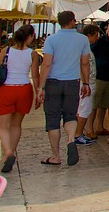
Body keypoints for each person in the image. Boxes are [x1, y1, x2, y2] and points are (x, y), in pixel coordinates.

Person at [37, 11, 91, 166]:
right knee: (70, 115)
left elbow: (46, 64)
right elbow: (85, 63)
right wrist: (86, 83)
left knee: (53, 119)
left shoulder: (51, 39)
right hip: (73, 82)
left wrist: (40, 87)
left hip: (53, 82)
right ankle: (70, 140)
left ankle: (55, 156)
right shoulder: (83, 39)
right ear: (73, 21)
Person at [0, 25, 41, 172]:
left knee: (2, 126)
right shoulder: (33, 54)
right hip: (24, 89)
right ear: (30, 36)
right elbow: (35, 76)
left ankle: (8, 153)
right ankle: (11, 152)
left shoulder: (6, 51)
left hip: (7, 90)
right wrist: (38, 93)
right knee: (16, 125)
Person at [73, 25, 100, 146]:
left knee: (83, 108)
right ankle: (78, 134)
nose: (97, 38)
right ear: (89, 36)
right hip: (87, 83)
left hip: (86, 82)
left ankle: (78, 133)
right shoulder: (85, 50)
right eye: (95, 35)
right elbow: (84, 67)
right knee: (85, 108)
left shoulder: (84, 48)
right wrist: (86, 84)